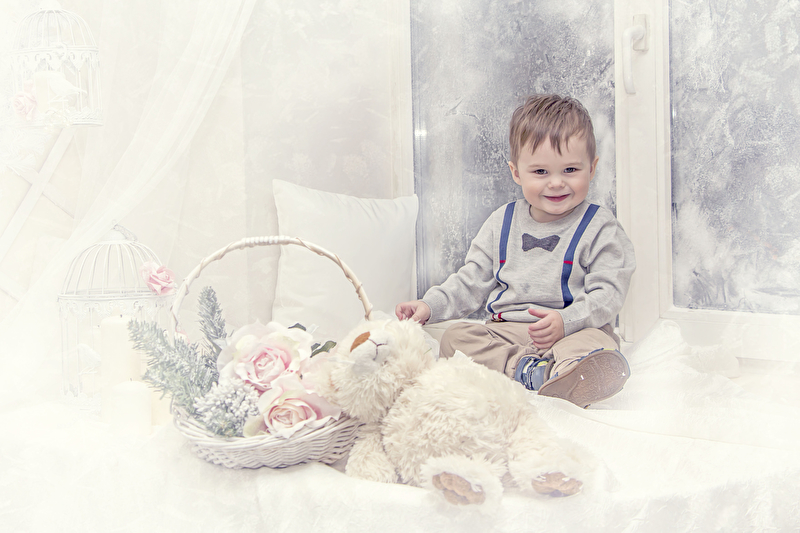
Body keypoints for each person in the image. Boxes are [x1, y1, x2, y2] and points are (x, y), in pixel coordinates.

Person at [396, 94, 636, 408]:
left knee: (598, 345)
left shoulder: (601, 226)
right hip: (508, 332)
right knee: (456, 338)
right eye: (540, 172)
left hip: (573, 330)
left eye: (570, 170)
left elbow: (609, 294)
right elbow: (470, 281)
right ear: (516, 172)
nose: (556, 183)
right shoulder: (502, 222)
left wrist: (566, 321)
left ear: (591, 169)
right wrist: (430, 305)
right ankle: (529, 370)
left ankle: (569, 372)